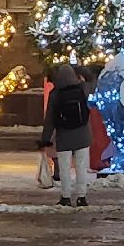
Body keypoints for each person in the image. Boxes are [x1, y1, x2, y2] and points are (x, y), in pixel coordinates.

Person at [39, 64, 92, 208]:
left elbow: (49, 118)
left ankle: (66, 197)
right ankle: (81, 197)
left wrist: (45, 139)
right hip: (83, 135)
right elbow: (90, 78)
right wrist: (79, 68)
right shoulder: (82, 89)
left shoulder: (55, 94)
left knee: (64, 168)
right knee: (81, 167)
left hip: (64, 136)